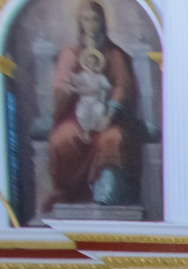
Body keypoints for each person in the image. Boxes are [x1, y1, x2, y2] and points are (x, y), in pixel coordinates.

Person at [44, 1, 146, 211]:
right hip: (75, 114)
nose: (91, 24)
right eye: (86, 19)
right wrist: (72, 87)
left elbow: (123, 86)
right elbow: (61, 83)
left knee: (113, 138)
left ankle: (107, 190)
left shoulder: (115, 54)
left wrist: (109, 114)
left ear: (103, 22)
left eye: (95, 19)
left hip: (109, 115)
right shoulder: (70, 53)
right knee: (62, 137)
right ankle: (69, 192)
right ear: (79, 23)